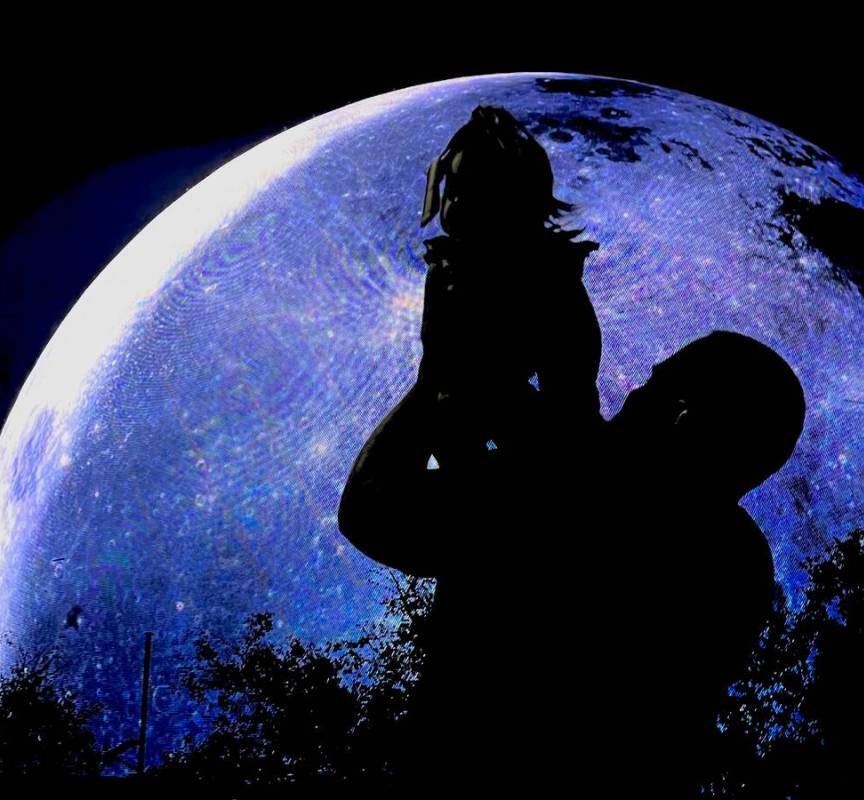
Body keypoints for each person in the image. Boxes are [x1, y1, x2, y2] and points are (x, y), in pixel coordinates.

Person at [338, 105, 604, 786]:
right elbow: (441, 392)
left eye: (478, 191)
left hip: (527, 515)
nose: (458, 208)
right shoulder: (449, 280)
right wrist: (445, 391)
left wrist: (479, 392)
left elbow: (574, 424)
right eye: (452, 190)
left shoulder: (551, 286)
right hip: (481, 497)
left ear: (519, 200)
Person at [604, 330, 806, 789]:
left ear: (689, 426)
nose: (635, 397)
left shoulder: (723, 561)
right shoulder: (739, 566)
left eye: (662, 392)